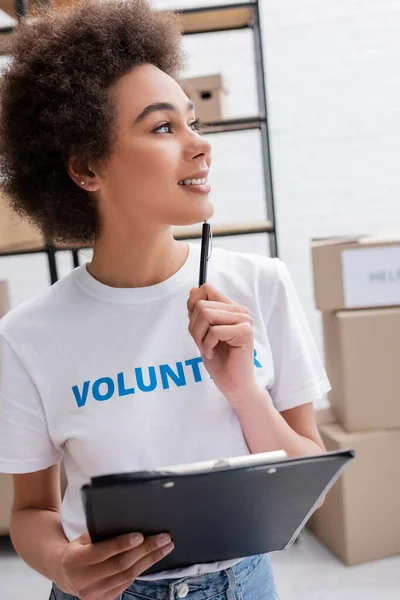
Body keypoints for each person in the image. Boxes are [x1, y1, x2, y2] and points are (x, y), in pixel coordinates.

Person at [0, 2, 330, 599]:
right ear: (85, 168)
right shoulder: (28, 336)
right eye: (161, 128)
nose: (200, 146)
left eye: (193, 121)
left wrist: (242, 391)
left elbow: (310, 476)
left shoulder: (261, 285)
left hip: (245, 585)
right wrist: (62, 565)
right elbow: (31, 512)